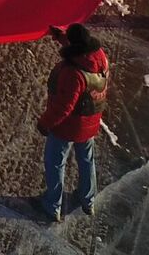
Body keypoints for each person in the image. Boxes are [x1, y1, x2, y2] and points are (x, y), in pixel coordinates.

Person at [32, 23, 109, 222]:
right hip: (91, 121)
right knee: (86, 160)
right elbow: (79, 49)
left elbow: (63, 107)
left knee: (56, 163)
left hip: (68, 127)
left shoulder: (73, 73)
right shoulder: (99, 56)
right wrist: (61, 36)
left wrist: (45, 123)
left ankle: (52, 205)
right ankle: (88, 199)